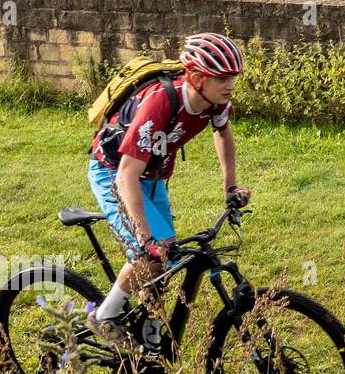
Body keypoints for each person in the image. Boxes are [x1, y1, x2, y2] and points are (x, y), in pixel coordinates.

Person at [85, 32, 251, 347]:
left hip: (153, 174)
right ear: (198, 77)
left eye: (233, 78)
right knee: (151, 254)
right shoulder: (161, 102)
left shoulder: (214, 101)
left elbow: (223, 133)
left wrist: (230, 186)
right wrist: (144, 238)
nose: (230, 85)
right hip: (114, 171)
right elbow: (125, 177)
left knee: (169, 255)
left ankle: (149, 330)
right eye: (223, 79)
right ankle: (103, 315)